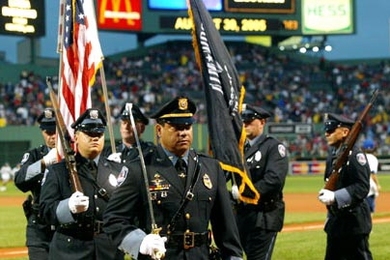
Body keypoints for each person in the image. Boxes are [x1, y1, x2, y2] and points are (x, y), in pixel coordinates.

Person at [103, 96, 243, 260]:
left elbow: (225, 227)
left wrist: (234, 257)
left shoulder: (211, 168)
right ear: (159, 130)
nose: (183, 132)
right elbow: (113, 219)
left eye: (187, 126)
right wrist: (140, 242)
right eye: (175, 127)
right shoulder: (140, 169)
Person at [39, 108, 125, 260]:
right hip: (71, 249)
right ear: (76, 137)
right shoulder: (58, 171)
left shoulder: (118, 170)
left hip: (109, 250)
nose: (95, 138)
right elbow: (45, 212)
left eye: (99, 134)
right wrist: (67, 207)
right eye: (89, 134)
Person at [234, 104, 288, 260]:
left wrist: (245, 193)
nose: (245, 124)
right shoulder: (239, 149)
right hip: (243, 216)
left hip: (264, 216)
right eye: (243, 120)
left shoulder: (273, 147)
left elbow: (274, 180)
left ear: (262, 122)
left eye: (250, 120)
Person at [318, 113, 372, 260]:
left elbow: (362, 186)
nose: (326, 133)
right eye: (326, 130)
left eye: (331, 130)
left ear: (345, 132)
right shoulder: (333, 156)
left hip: (354, 222)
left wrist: (336, 196)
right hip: (336, 222)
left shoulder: (355, 155)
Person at [13, 108, 58, 260]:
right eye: (47, 131)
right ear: (42, 132)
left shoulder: (73, 155)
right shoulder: (35, 155)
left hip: (64, 226)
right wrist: (43, 163)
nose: (52, 136)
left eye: (54, 131)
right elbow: (19, 180)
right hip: (39, 227)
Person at [361, 139, 381, 217]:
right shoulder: (373, 158)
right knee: (370, 209)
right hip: (369, 185)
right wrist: (377, 184)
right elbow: (372, 174)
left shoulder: (360, 156)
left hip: (359, 184)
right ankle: (368, 228)